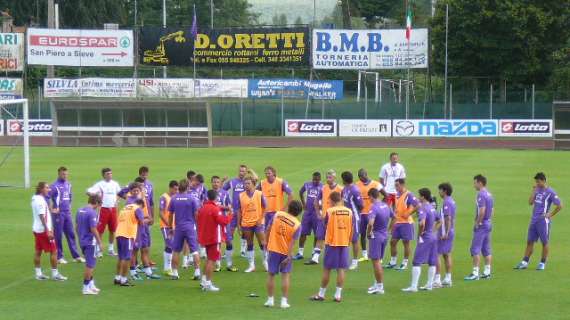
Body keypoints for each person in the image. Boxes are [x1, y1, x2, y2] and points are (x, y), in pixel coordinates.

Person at [310, 191, 353, 303]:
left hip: (332, 243)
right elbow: (352, 227)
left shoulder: (330, 211)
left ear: (333, 201)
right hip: (344, 243)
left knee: (327, 269)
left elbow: (325, 224)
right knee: (341, 269)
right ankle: (338, 295)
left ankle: (321, 294)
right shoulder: (349, 212)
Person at [514, 172, 563, 271]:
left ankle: (542, 263)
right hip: (534, 220)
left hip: (543, 221)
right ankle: (524, 262)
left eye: (538, 181)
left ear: (544, 181)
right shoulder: (537, 190)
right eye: (536, 181)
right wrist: (534, 190)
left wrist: (550, 214)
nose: (537, 183)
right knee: (529, 241)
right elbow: (530, 202)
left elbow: (560, 205)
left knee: (544, 242)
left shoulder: (551, 192)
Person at [264, 200, 303, 309]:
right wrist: (289, 256)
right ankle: (283, 302)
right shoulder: (297, 225)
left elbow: (268, 228)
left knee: (271, 275)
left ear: (289, 207)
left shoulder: (277, 214)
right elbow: (292, 242)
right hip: (285, 252)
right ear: (299, 212)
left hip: (273, 249)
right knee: (285, 276)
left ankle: (270, 300)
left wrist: (266, 243)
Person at [402, 188, 439, 292]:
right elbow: (439, 220)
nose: (418, 197)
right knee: (432, 261)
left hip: (425, 237)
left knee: (416, 261)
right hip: (432, 236)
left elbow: (422, 223)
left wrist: (420, 234)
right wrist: (433, 230)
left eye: (419, 196)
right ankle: (429, 285)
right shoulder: (432, 208)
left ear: (423, 197)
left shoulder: (422, 208)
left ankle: (414, 287)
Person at [197, 190, 233, 292]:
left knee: (208, 259)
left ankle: (204, 280)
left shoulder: (203, 208)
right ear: (216, 197)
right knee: (212, 261)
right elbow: (223, 221)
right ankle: (208, 283)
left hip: (205, 237)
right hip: (214, 238)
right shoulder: (215, 209)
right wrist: (230, 214)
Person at [32, 182, 67, 281]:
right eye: (47, 188)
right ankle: (55, 274)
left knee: (38, 251)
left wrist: (51, 210)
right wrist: (48, 230)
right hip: (44, 230)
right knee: (54, 251)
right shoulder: (40, 201)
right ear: (41, 189)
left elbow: (42, 213)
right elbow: (41, 215)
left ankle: (38, 274)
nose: (49, 189)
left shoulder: (35, 198)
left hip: (37, 229)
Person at [307, 170, 343, 265]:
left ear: (334, 178)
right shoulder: (323, 188)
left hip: (335, 218)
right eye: (327, 177)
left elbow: (344, 203)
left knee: (335, 238)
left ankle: (336, 258)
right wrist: (318, 214)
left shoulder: (340, 189)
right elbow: (316, 201)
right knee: (320, 237)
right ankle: (315, 258)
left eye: (330, 177)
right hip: (324, 218)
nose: (328, 179)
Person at [168, 179, 202, 280]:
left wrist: (170, 227)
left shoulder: (174, 199)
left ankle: (174, 273)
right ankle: (197, 272)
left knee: (176, 250)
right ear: (187, 187)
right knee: (194, 250)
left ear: (179, 187)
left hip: (178, 227)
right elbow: (196, 214)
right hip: (190, 227)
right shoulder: (192, 199)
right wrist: (197, 225)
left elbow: (170, 214)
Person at [49, 166, 82, 264]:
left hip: (67, 213)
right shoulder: (54, 186)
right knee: (58, 235)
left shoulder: (68, 184)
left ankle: (76, 256)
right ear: (59, 174)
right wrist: (52, 209)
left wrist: (69, 206)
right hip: (58, 214)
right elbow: (47, 197)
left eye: (66, 174)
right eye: (63, 174)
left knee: (71, 234)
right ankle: (59, 257)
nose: (65, 176)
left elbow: (70, 196)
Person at [465, 174, 494, 281]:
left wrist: (478, 223)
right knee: (486, 249)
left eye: (475, 182)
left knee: (475, 249)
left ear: (480, 183)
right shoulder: (489, 194)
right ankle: (487, 271)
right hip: (488, 223)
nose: (474, 185)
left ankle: (475, 273)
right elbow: (492, 210)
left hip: (482, 225)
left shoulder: (481, 195)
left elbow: (482, 211)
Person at [87, 168, 122, 257]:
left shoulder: (115, 184)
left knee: (113, 230)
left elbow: (120, 193)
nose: (110, 175)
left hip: (113, 209)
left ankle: (111, 249)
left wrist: (116, 200)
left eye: (110, 173)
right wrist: (94, 196)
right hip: (103, 209)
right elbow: (88, 191)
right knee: (100, 230)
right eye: (107, 174)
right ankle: (98, 250)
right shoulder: (99, 185)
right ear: (103, 175)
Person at [366, 188, 394, 295]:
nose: (369, 200)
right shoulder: (386, 205)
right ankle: (376, 284)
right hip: (384, 235)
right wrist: (389, 230)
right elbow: (394, 217)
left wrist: (368, 233)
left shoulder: (374, 207)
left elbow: (370, 223)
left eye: (369, 198)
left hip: (376, 236)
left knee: (376, 262)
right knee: (378, 261)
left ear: (372, 196)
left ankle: (380, 287)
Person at [386, 178, 418, 270]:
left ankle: (404, 263)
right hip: (397, 222)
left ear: (402, 185)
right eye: (395, 185)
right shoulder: (397, 195)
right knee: (393, 242)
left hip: (406, 223)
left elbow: (418, 205)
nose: (396, 187)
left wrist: (410, 213)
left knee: (406, 243)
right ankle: (393, 262)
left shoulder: (409, 194)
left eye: (397, 185)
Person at [237, 174, 267, 273]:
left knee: (262, 243)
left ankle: (266, 262)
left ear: (253, 184)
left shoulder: (259, 194)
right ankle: (251, 265)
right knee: (249, 243)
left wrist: (261, 219)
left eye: (248, 183)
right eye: (245, 183)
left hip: (258, 222)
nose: (246, 185)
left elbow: (265, 207)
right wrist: (238, 224)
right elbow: (239, 211)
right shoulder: (241, 196)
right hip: (246, 223)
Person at [113, 198, 146, 287]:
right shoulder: (137, 208)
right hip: (127, 235)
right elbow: (142, 222)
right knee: (127, 258)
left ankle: (117, 278)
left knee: (120, 257)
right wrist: (146, 221)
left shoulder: (125, 207)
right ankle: (123, 280)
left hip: (119, 233)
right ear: (141, 205)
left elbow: (119, 220)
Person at [76, 195, 103, 295]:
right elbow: (93, 229)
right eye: (99, 204)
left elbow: (77, 226)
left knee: (89, 263)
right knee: (90, 265)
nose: (99, 207)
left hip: (82, 241)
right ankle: (85, 288)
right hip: (90, 242)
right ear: (96, 202)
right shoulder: (92, 213)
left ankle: (91, 284)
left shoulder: (80, 210)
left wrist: (80, 238)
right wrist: (99, 242)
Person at [355, 168, 384, 262]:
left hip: (373, 213)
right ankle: (365, 255)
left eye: (362, 176)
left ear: (366, 174)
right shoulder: (357, 185)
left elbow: (386, 195)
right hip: (362, 213)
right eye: (359, 177)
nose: (361, 178)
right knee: (362, 234)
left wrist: (380, 205)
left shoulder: (376, 184)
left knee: (375, 233)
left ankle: (379, 256)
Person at [222, 164, 248, 266]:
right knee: (230, 231)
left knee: (245, 230)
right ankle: (227, 251)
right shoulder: (232, 181)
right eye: (240, 171)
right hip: (233, 210)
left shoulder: (248, 182)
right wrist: (223, 180)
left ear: (246, 172)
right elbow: (221, 189)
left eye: (244, 171)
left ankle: (243, 250)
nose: (241, 173)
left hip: (245, 210)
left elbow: (256, 179)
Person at [294, 172, 322, 261]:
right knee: (303, 233)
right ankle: (300, 253)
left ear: (320, 179)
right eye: (314, 179)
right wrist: (303, 203)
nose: (315, 181)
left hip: (317, 214)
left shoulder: (323, 187)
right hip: (307, 213)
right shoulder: (307, 184)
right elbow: (300, 192)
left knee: (317, 234)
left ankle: (314, 253)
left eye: (317, 180)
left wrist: (322, 206)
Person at [433, 183, 456, 288]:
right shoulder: (451, 201)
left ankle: (437, 280)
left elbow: (447, 218)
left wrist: (445, 233)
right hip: (450, 231)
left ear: (444, 191)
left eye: (440, 190)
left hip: (444, 232)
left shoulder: (447, 202)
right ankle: (448, 278)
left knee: (437, 254)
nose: (439, 192)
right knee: (447, 254)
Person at [258, 166, 293, 234]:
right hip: (266, 212)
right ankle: (267, 245)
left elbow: (291, 194)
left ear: (273, 173)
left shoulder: (281, 182)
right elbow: (255, 193)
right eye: (266, 174)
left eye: (269, 173)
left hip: (277, 212)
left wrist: (285, 208)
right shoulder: (262, 183)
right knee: (266, 232)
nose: (267, 175)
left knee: (277, 232)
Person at [340, 171, 363, 270]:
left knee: (354, 240)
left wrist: (355, 214)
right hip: (346, 218)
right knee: (345, 239)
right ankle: (345, 259)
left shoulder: (355, 190)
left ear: (344, 180)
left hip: (354, 218)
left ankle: (355, 261)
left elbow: (361, 205)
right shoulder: (344, 189)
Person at [210, 175, 232, 272]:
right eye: (214, 182)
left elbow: (229, 206)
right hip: (212, 221)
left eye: (217, 182)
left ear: (220, 183)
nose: (215, 184)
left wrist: (222, 208)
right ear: (211, 183)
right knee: (216, 242)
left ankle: (228, 263)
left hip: (222, 220)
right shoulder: (209, 194)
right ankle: (217, 264)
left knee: (227, 241)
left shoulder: (225, 193)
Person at [159, 180, 179, 276]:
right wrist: (168, 224)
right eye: (175, 189)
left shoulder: (176, 197)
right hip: (166, 226)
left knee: (170, 245)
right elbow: (161, 213)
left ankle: (167, 268)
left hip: (174, 226)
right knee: (170, 244)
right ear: (170, 188)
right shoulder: (164, 197)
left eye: (177, 189)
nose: (176, 191)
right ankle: (167, 268)